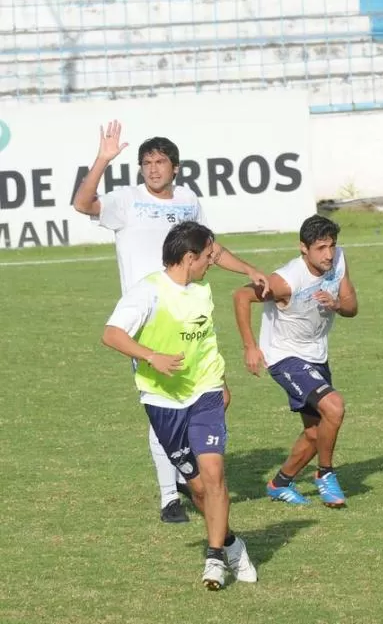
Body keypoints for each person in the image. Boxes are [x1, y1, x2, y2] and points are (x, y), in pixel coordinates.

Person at [73, 120, 269, 523]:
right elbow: (82, 203)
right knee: (163, 401)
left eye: (160, 161)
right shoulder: (125, 200)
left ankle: (184, 469)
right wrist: (103, 159)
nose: (153, 168)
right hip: (150, 320)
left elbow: (210, 249)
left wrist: (248, 269)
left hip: (191, 312)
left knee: (216, 396)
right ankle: (169, 496)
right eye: (146, 162)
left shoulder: (189, 201)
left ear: (175, 167)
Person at [101, 221, 257, 590]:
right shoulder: (148, 293)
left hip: (204, 395)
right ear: (189, 257)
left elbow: (206, 344)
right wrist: (151, 355)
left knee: (215, 476)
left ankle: (214, 557)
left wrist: (221, 383)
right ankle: (233, 544)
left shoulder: (201, 291)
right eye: (207, 257)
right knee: (200, 490)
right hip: (163, 403)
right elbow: (111, 334)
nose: (211, 263)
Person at [232, 215, 358, 507]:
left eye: (332, 245)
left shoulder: (338, 260)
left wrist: (337, 304)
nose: (328, 254)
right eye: (320, 247)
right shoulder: (287, 280)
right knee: (334, 407)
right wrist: (250, 347)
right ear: (304, 248)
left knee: (316, 434)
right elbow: (241, 295)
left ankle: (280, 483)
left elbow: (352, 307)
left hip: (317, 354)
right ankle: (325, 474)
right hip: (285, 355)